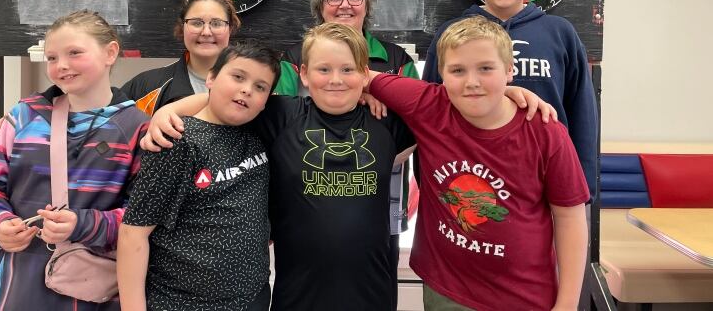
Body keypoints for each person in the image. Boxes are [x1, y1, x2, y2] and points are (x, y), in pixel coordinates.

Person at [142, 23, 553, 311]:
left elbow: (458, 100)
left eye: (347, 71)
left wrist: (509, 91)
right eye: (323, 70)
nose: (335, 80)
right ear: (303, 74)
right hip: (297, 289)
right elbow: (228, 98)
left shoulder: (388, 120)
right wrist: (169, 113)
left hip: (370, 289)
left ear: (366, 75)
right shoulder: (281, 116)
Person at [369, 16, 590, 310]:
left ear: (510, 70)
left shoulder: (545, 131)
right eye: (457, 70)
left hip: (524, 296)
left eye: (486, 68)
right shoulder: (429, 104)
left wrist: (568, 304)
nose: (472, 82)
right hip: (446, 290)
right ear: (441, 75)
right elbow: (358, 75)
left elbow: (570, 218)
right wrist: (365, 91)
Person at [0, 10, 148, 310]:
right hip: (14, 288)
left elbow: (141, 218)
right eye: (51, 58)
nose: (62, 65)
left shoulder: (139, 129)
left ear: (110, 52)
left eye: (75, 53)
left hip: (92, 293)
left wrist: (83, 224)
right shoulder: (22, 117)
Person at [273, 0, 419, 308]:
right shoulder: (293, 59)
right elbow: (277, 107)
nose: (345, 5)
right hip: (306, 208)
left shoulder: (396, 58)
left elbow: (423, 112)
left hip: (377, 205)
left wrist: (374, 90)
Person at [422, 0, 598, 200]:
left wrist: (583, 185)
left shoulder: (560, 33)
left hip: (544, 179)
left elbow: (582, 113)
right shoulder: (452, 33)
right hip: (470, 182)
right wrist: (430, 182)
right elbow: (431, 110)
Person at [117, 42, 281, 311]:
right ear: (211, 78)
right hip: (184, 302)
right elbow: (133, 235)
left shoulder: (257, 135)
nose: (246, 89)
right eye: (238, 77)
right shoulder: (177, 140)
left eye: (260, 87)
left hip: (253, 299)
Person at [121, 0, 241, 115]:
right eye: (196, 23)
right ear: (182, 27)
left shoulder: (251, 88)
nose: (206, 32)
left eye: (216, 23)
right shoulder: (146, 87)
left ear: (230, 29)